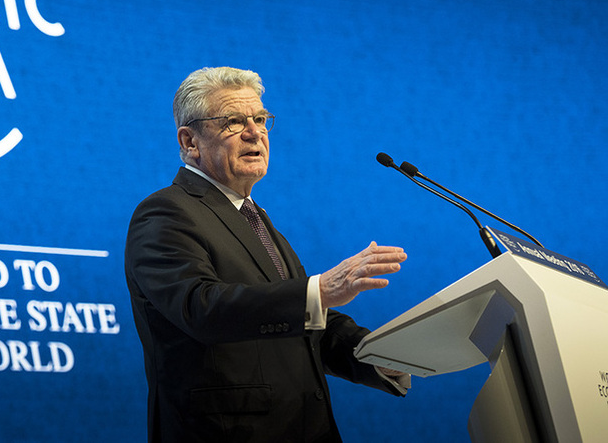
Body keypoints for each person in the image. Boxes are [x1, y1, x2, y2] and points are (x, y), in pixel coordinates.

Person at [125, 66, 409, 443]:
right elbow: (202, 307)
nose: (254, 132)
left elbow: (301, 323)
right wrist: (319, 290)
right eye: (233, 121)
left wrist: (384, 355)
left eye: (260, 119)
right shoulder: (166, 212)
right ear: (190, 142)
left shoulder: (257, 220)